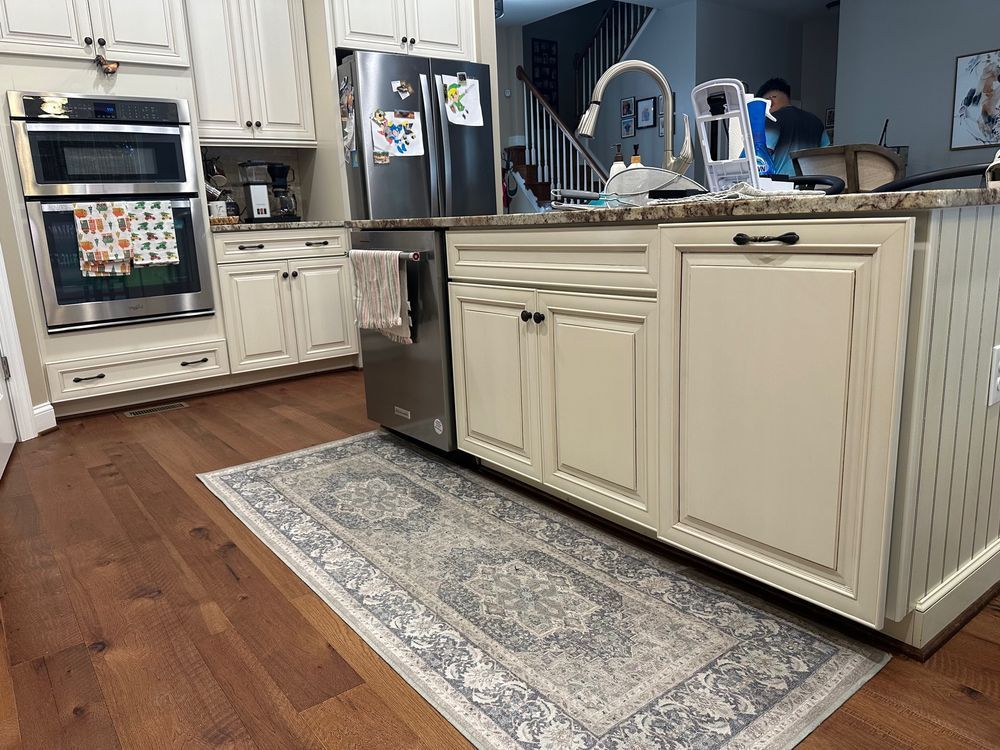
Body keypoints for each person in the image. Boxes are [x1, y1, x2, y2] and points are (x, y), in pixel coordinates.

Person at [755, 78, 830, 176]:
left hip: (782, 184)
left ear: (770, 101)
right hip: (811, 184)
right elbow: (826, 153)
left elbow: (761, 156)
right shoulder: (816, 121)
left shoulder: (772, 120)